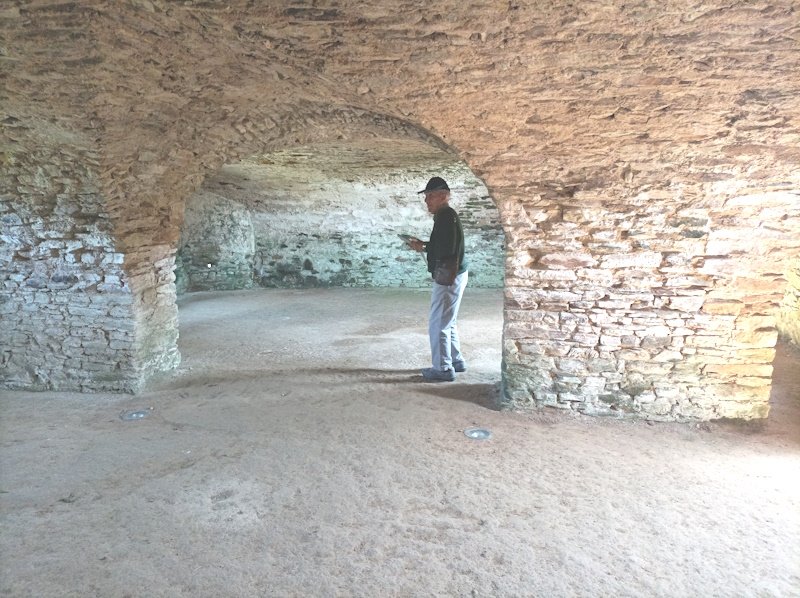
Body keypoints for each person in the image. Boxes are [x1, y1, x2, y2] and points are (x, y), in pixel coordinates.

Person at [406, 176, 469, 382]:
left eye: (430, 196)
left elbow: (446, 249)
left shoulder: (445, 216)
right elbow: (444, 245)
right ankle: (455, 360)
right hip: (455, 272)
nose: (427, 201)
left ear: (443, 196)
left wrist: (423, 247)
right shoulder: (445, 215)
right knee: (447, 321)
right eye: (426, 196)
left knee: (438, 322)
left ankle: (443, 368)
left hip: (448, 274)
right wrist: (424, 245)